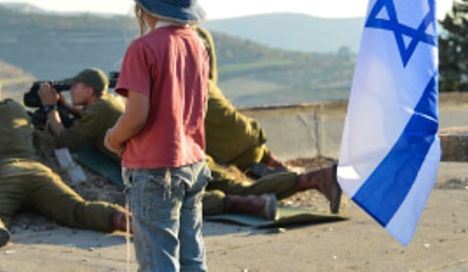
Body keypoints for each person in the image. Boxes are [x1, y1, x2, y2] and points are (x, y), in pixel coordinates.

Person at [41, 67, 342, 219]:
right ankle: (313, 179)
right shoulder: (108, 106)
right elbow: (91, 115)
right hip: (189, 152)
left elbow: (64, 138)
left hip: (166, 166)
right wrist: (66, 107)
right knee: (239, 185)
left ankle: (249, 203)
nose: (70, 91)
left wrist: (50, 107)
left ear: (90, 90)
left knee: (176, 205)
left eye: (74, 87)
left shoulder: (99, 111)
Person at [102, 0, 211, 271]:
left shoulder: (142, 48)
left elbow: (137, 116)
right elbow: (200, 107)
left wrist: (113, 138)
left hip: (154, 171)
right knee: (192, 256)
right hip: (193, 162)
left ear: (144, 6)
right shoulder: (197, 43)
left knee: (158, 259)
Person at [0, 74, 130, 250]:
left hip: (3, 176)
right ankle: (121, 218)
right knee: (76, 209)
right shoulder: (16, 109)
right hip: (39, 173)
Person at [194, 25, 290, 177]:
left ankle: (259, 175)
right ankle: (276, 170)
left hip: (226, 154)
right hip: (250, 139)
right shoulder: (201, 35)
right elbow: (211, 77)